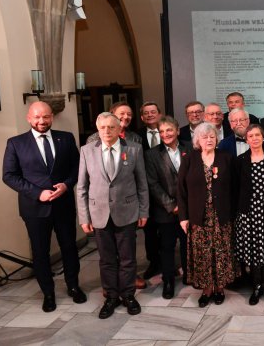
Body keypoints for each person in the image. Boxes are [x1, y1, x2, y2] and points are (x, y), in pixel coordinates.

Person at [2, 101, 85, 312]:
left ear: (52, 117)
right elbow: (9, 176)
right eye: (37, 117)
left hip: (64, 205)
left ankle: (73, 286)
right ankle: (48, 294)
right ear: (29, 118)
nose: (42, 121)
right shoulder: (16, 143)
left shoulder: (66, 138)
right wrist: (38, 193)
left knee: (69, 248)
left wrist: (66, 186)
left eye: (46, 116)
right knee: (40, 252)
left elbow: (77, 167)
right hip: (34, 209)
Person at [76, 112, 149, 319]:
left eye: (111, 127)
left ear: (119, 129)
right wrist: (84, 217)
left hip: (127, 212)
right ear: (97, 130)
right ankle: (111, 296)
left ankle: (128, 295)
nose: (106, 131)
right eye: (102, 128)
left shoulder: (134, 150)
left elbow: (142, 184)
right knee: (107, 260)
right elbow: (81, 187)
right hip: (98, 214)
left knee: (127, 259)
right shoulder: (87, 151)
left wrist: (144, 211)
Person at [177, 122, 238, 307]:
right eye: (205, 137)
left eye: (212, 136)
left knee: (221, 253)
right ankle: (206, 289)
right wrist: (183, 217)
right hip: (198, 216)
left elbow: (236, 187)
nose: (209, 140)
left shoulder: (226, 157)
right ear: (198, 140)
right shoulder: (189, 159)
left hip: (222, 216)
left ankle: (219, 288)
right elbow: (180, 190)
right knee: (203, 254)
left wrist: (234, 214)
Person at [235, 124, 264, 306]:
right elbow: (236, 188)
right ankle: (256, 287)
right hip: (248, 212)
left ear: (263, 138)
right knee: (253, 250)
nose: (254, 138)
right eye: (250, 136)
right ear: (246, 139)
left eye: (257, 135)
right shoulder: (240, 161)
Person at [144, 116, 189, 299]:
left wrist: (186, 206)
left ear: (177, 131)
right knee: (167, 247)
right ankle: (168, 280)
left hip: (188, 209)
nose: (165, 134)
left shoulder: (190, 148)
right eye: (161, 131)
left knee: (188, 244)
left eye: (169, 130)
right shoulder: (151, 154)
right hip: (165, 211)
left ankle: (189, 275)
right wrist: (172, 206)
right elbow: (153, 184)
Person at [138, 101, 163, 281]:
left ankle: (172, 262)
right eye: (146, 113)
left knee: (170, 230)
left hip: (168, 190)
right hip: (147, 190)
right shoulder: (136, 137)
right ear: (142, 117)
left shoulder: (168, 132)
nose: (150, 115)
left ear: (159, 114)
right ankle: (154, 263)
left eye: (153, 111)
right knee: (150, 231)